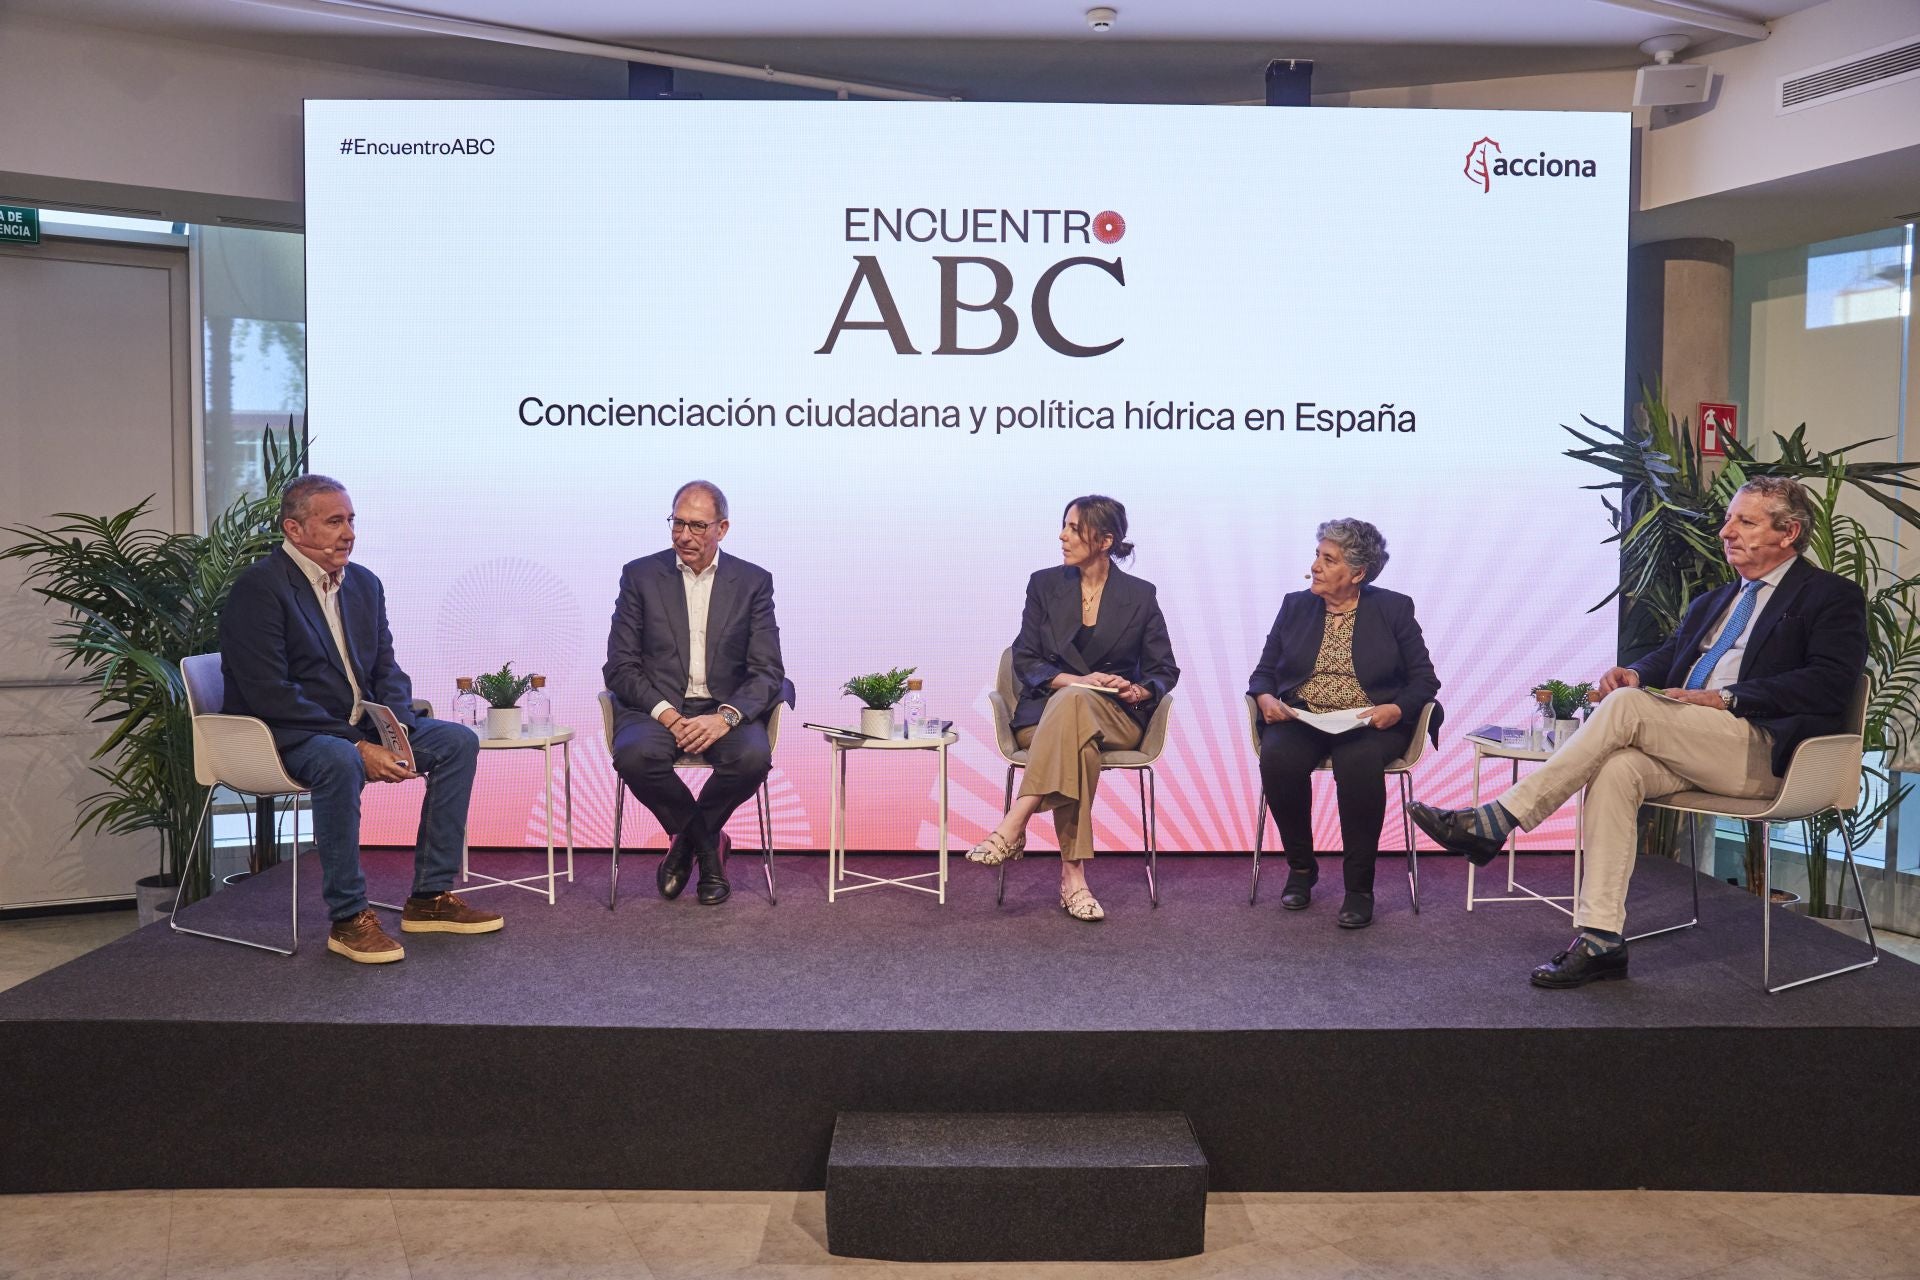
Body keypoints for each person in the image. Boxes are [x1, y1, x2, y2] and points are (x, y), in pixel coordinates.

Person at [1410, 476, 1867, 988]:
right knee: (1617, 768)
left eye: (1745, 521)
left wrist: (1727, 698)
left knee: (1627, 709)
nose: (1726, 532)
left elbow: (1830, 683)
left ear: (1789, 533)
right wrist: (1635, 673)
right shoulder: (1715, 601)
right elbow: (1671, 657)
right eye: (1728, 520)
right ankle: (1601, 939)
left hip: (1767, 752)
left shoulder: (1830, 596)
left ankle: (1498, 819)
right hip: (1698, 745)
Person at [220, 475, 496, 965]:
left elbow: (386, 669)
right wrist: (357, 745)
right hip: (286, 734)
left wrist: (397, 730)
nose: (348, 533)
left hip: (358, 727)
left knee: (456, 742)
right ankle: (348, 918)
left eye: (350, 520)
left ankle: (430, 897)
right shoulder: (259, 589)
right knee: (339, 760)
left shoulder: (364, 583)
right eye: (334, 522)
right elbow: (269, 693)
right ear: (294, 529)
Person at [967, 496, 1179, 921]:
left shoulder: (1140, 596)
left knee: (1078, 707)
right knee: (1080, 742)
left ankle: (1017, 819)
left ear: (1105, 540)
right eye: (1064, 526)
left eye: (1074, 528)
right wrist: (1076, 682)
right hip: (1044, 717)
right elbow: (1025, 658)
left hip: (1116, 717)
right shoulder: (1044, 585)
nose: (1062, 536)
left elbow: (1163, 670)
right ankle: (1073, 879)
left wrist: (1136, 690)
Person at [1249, 519, 1442, 929]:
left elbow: (1424, 680)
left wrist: (1396, 709)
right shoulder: (1295, 606)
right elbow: (1263, 673)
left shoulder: (1393, 609)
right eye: (1317, 555)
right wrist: (1264, 697)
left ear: (1357, 573)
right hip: (1305, 716)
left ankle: (1358, 888)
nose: (1315, 566)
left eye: (1328, 559)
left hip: (1369, 721)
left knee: (1357, 764)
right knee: (1278, 759)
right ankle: (1302, 868)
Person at [605, 480, 785, 906]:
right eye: (678, 523)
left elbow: (767, 670)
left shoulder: (753, 582)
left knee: (751, 758)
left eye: (697, 526)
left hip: (724, 708)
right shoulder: (640, 576)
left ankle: (684, 844)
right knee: (634, 755)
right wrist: (668, 715)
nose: (684, 535)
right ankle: (708, 846)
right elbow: (620, 666)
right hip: (656, 708)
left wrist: (725, 718)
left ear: (722, 529)